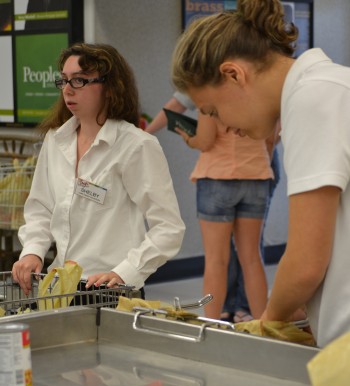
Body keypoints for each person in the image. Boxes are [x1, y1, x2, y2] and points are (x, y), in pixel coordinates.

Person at [170, 0, 350, 347]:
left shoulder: (312, 99)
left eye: (214, 110)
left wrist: (267, 325)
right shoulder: (325, 87)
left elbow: (306, 263)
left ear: (234, 74)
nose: (226, 125)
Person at [12, 42, 185, 297]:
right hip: (59, 286)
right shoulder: (55, 140)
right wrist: (32, 251)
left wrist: (125, 272)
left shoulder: (136, 146)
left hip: (111, 290)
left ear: (110, 86)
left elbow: (168, 228)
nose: (68, 90)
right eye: (64, 81)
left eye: (79, 81)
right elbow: (41, 208)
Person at [147, 92, 274, 319]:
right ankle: (263, 327)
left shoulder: (212, 94)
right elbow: (272, 138)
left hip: (218, 178)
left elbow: (205, 141)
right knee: (252, 258)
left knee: (217, 260)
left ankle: (212, 325)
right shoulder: (260, 91)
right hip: (257, 177)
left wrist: (187, 136)